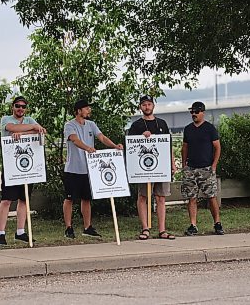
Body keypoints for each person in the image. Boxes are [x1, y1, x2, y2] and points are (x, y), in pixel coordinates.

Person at [63, 99, 124, 239]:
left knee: (87, 198)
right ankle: (68, 227)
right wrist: (87, 148)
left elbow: (101, 137)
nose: (89, 110)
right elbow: (74, 139)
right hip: (73, 168)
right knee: (69, 198)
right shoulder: (69, 125)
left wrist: (114, 146)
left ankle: (87, 227)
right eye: (86, 108)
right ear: (79, 111)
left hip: (89, 168)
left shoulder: (91, 124)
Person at [0, 96, 46, 245]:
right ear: (13, 106)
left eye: (23, 107)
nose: (20, 109)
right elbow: (12, 128)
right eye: (18, 106)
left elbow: (42, 132)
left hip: (28, 166)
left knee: (24, 199)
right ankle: (1, 233)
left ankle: (20, 232)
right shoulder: (5, 119)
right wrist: (32, 128)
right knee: (6, 199)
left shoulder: (30, 120)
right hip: (12, 166)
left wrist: (24, 133)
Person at [128, 95, 177, 240]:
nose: (147, 107)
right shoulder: (136, 126)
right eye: (144, 105)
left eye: (149, 104)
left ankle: (162, 230)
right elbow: (131, 147)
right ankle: (145, 228)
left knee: (161, 197)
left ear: (153, 106)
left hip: (161, 167)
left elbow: (168, 144)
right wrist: (141, 137)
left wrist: (172, 163)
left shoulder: (162, 123)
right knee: (143, 196)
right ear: (140, 107)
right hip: (144, 168)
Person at [181, 101, 224, 236]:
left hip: (206, 168)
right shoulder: (188, 129)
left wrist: (214, 165)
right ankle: (193, 225)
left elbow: (217, 147)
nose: (194, 114)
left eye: (196, 112)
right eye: (192, 112)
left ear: (202, 112)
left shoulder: (210, 128)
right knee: (192, 198)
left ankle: (217, 223)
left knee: (211, 197)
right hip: (191, 168)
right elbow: (185, 148)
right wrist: (184, 165)